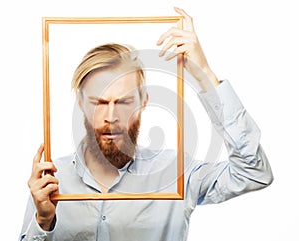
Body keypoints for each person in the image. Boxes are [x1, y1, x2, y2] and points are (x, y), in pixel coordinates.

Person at [19, 7, 273, 241]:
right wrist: (42, 221)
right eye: (99, 102)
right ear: (81, 104)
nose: (111, 115)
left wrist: (204, 73)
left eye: (124, 101)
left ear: (143, 102)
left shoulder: (177, 175)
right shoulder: (52, 181)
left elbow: (253, 173)